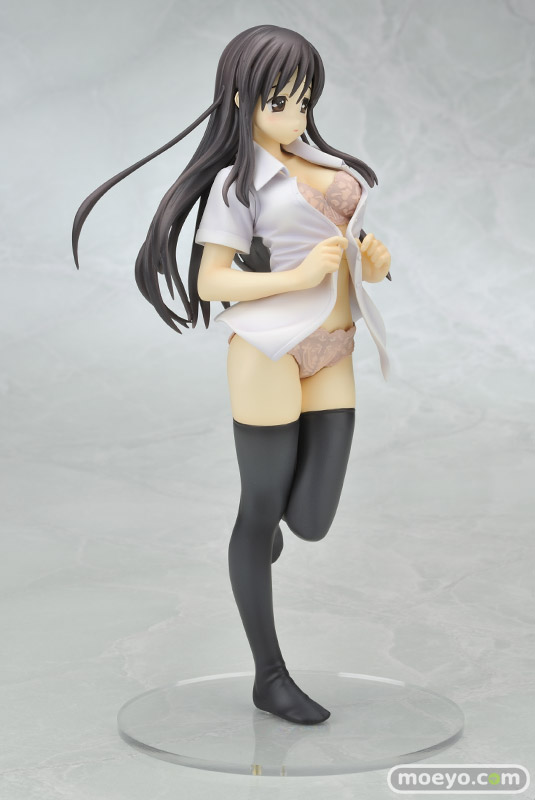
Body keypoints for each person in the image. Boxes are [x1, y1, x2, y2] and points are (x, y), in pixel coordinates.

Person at [72, 24, 392, 726]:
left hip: (334, 346)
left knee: (311, 521)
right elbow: (211, 279)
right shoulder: (235, 183)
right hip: (268, 350)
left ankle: (264, 527)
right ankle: (269, 676)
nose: (296, 115)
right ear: (243, 98)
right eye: (281, 101)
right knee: (259, 511)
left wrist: (376, 263)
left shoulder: (323, 162)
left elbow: (354, 249)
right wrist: (293, 278)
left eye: (304, 101)